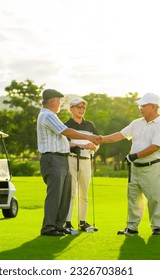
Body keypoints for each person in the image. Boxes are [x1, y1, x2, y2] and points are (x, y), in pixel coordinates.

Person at [101, 93, 160, 236]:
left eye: (143, 106)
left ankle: (157, 228)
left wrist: (134, 155)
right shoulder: (136, 123)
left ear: (153, 107)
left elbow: (155, 146)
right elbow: (120, 135)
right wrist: (101, 139)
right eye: (140, 105)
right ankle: (132, 227)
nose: (140, 108)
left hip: (152, 167)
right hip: (135, 167)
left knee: (154, 198)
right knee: (133, 197)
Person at [37, 89, 102, 237]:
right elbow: (67, 132)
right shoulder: (47, 115)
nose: (60, 103)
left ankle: (59, 226)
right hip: (53, 158)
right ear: (53, 100)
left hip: (61, 158)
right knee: (55, 194)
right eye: (59, 100)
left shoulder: (52, 115)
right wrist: (90, 139)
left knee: (64, 194)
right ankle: (48, 227)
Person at [64, 97, 99, 232]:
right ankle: (67, 223)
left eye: (83, 107)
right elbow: (64, 143)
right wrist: (79, 145)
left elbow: (97, 141)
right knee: (71, 192)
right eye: (78, 107)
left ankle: (82, 222)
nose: (81, 110)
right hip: (71, 159)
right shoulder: (65, 125)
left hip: (86, 160)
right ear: (71, 109)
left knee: (84, 193)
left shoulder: (90, 125)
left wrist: (94, 147)